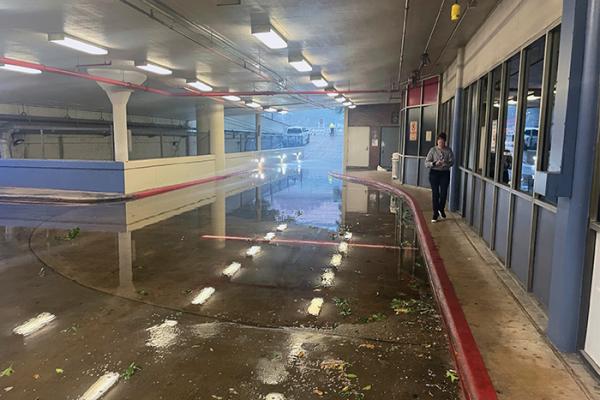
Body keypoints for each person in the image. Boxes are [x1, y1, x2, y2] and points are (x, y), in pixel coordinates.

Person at [425, 133, 454, 223]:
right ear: (437, 141)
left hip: (444, 173)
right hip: (434, 173)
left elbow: (452, 162)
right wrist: (434, 163)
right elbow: (426, 163)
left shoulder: (448, 150)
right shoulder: (433, 150)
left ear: (445, 142)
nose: (440, 143)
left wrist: (446, 163)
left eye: (442, 141)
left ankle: (441, 209)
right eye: (439, 141)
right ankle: (435, 213)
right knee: (435, 193)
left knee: (444, 193)